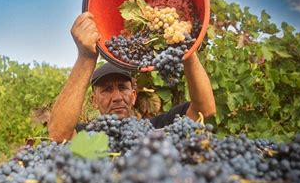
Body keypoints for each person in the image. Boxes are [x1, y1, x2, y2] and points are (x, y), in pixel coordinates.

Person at [48, 12, 216, 142]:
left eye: (122, 88)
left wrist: (185, 46)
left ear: (134, 95)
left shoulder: (156, 129)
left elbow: (205, 110)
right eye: (107, 90)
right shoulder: (88, 136)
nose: (117, 97)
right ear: (94, 100)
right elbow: (58, 134)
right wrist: (86, 58)